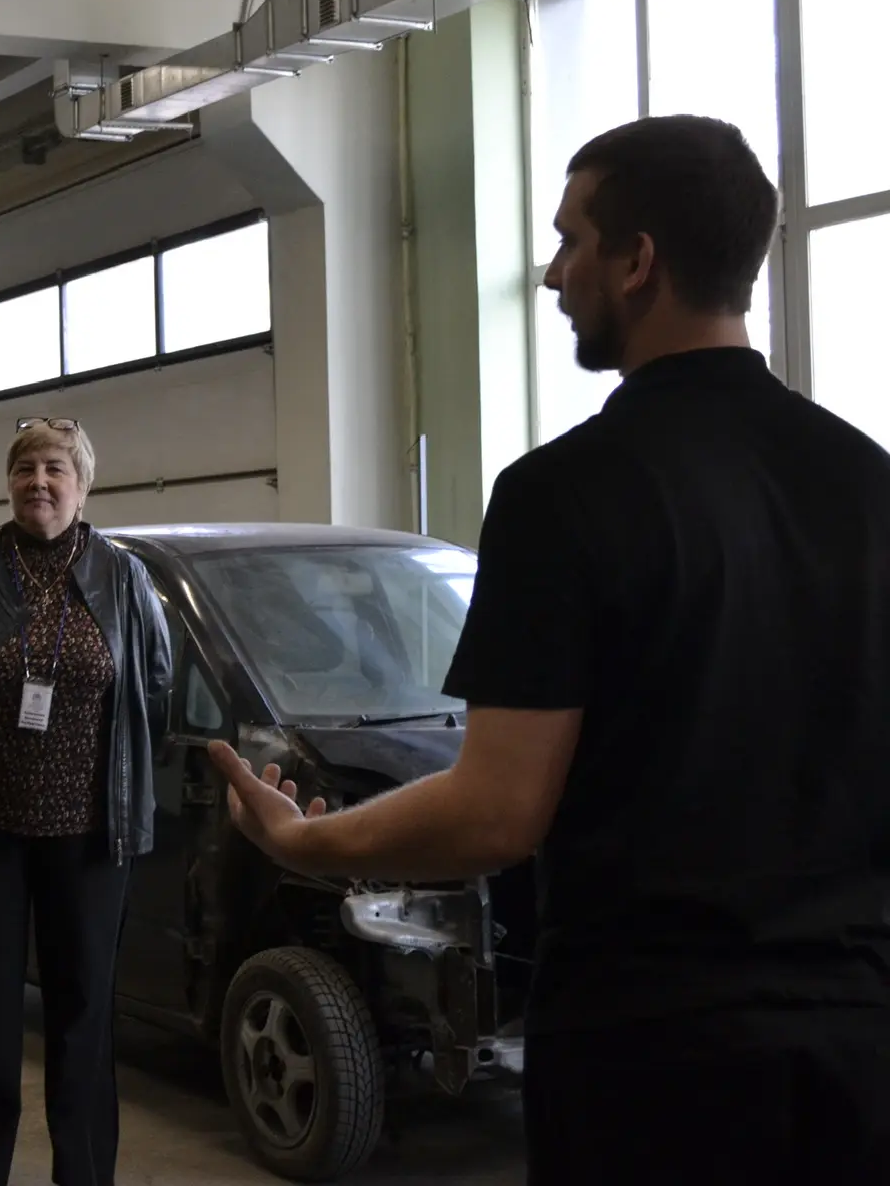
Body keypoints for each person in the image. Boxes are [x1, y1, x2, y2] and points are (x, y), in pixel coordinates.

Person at [210, 115, 890, 1185]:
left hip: (655, 1058)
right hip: (857, 1048)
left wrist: (307, 841)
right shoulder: (866, 480)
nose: (552, 273)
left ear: (639, 261)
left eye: (572, 240)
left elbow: (495, 812)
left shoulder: (562, 493)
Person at [0, 417, 172, 1186]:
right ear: (9, 483)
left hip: (90, 838)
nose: (40, 483)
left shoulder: (123, 577)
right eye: (26, 469)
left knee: (84, 1019)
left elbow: (155, 685)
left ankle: (83, 1175)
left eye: (56, 468)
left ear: (83, 486)